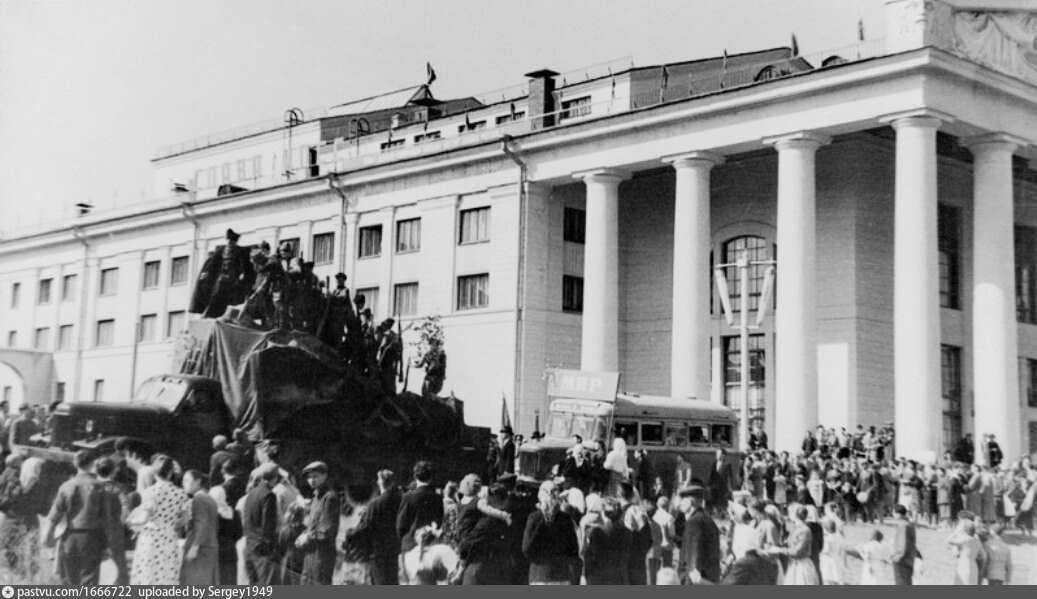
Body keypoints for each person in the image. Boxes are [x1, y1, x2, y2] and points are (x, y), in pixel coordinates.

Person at [42, 450, 114, 585]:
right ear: (92, 464)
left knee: (69, 580)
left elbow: (54, 515)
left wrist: (47, 535)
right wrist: (106, 545)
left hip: (68, 538)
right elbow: (106, 519)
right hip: (92, 539)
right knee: (89, 580)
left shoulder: (66, 485)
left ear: (76, 464)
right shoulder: (100, 487)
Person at [126, 454, 189, 584]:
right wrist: (170, 524)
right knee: (167, 573)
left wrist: (128, 521)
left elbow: (143, 519)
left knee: (148, 574)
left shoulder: (150, 492)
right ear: (171, 472)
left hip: (151, 536)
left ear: (155, 473)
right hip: (170, 537)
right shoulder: (181, 494)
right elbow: (185, 520)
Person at [350, 469, 402, 585]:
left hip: (377, 550)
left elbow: (366, 526)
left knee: (379, 581)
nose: (377, 482)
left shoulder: (375, 503)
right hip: (394, 549)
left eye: (378, 479)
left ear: (381, 482)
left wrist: (351, 534)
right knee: (392, 581)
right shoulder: (400, 501)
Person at [522, 480, 579, 584]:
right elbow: (574, 550)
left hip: (539, 575)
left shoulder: (535, 517)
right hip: (561, 575)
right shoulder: (565, 518)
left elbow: (527, 549)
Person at [295, 461, 339, 585]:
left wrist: (307, 537)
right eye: (309, 477)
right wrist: (304, 534)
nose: (311, 480)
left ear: (324, 476)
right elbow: (314, 524)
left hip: (322, 555)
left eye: (315, 476)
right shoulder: (316, 497)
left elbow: (327, 529)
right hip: (311, 553)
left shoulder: (329, 498)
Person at [242, 462, 282, 585]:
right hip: (262, 551)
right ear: (275, 477)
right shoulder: (269, 495)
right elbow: (268, 525)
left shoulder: (251, 493)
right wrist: (270, 548)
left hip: (249, 546)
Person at [209, 458, 247, 585]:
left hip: (217, 550)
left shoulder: (221, 489)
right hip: (232, 548)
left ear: (223, 472)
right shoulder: (243, 485)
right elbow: (239, 533)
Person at [397, 461, 444, 560]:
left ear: (415, 476)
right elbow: (439, 522)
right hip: (431, 545)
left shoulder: (408, 497)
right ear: (431, 477)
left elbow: (401, 525)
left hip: (410, 546)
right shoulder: (438, 498)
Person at [180, 470, 220, 586]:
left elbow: (202, 524)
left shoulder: (198, 499)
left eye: (187, 480)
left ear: (197, 481)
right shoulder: (209, 498)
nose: (183, 484)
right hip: (210, 546)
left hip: (199, 549)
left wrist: (194, 547)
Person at [677, 484, 721, 584]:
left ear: (689, 502)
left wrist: (690, 582)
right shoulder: (708, 519)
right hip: (709, 579)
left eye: (682, 500)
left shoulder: (694, 522)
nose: (679, 505)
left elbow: (693, 559)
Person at [582, 496, 631, 584]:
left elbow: (590, 560)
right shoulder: (627, 532)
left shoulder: (597, 532)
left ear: (603, 513)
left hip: (600, 579)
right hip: (620, 579)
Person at [768, 505, 820, 585]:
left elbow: (797, 551)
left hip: (802, 565)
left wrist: (778, 550)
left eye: (789, 512)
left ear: (794, 515)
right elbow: (790, 542)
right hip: (793, 563)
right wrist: (777, 545)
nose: (788, 515)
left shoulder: (805, 530)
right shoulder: (794, 528)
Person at [890, 504, 920, 584]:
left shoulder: (902, 525)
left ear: (897, 513)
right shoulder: (909, 524)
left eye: (893, 513)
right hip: (909, 559)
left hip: (902, 561)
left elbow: (903, 544)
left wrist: (896, 558)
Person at [948, 520, 985, 585]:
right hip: (973, 566)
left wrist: (957, 530)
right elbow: (983, 556)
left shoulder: (965, 539)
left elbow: (949, 540)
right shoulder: (977, 541)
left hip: (963, 565)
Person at [707, 449, 736, 515]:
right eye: (716, 454)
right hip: (715, 485)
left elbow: (730, 476)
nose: (717, 455)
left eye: (719, 454)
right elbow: (712, 474)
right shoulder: (714, 463)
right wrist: (709, 484)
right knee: (714, 499)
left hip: (723, 486)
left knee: (722, 500)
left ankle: (722, 512)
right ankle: (716, 512)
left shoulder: (727, 464)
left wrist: (730, 487)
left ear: (723, 455)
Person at [818, 518, 845, 585]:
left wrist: (820, 552)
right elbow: (842, 549)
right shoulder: (839, 536)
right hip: (837, 558)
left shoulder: (827, 538)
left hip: (828, 559)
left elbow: (826, 550)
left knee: (828, 578)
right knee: (836, 577)